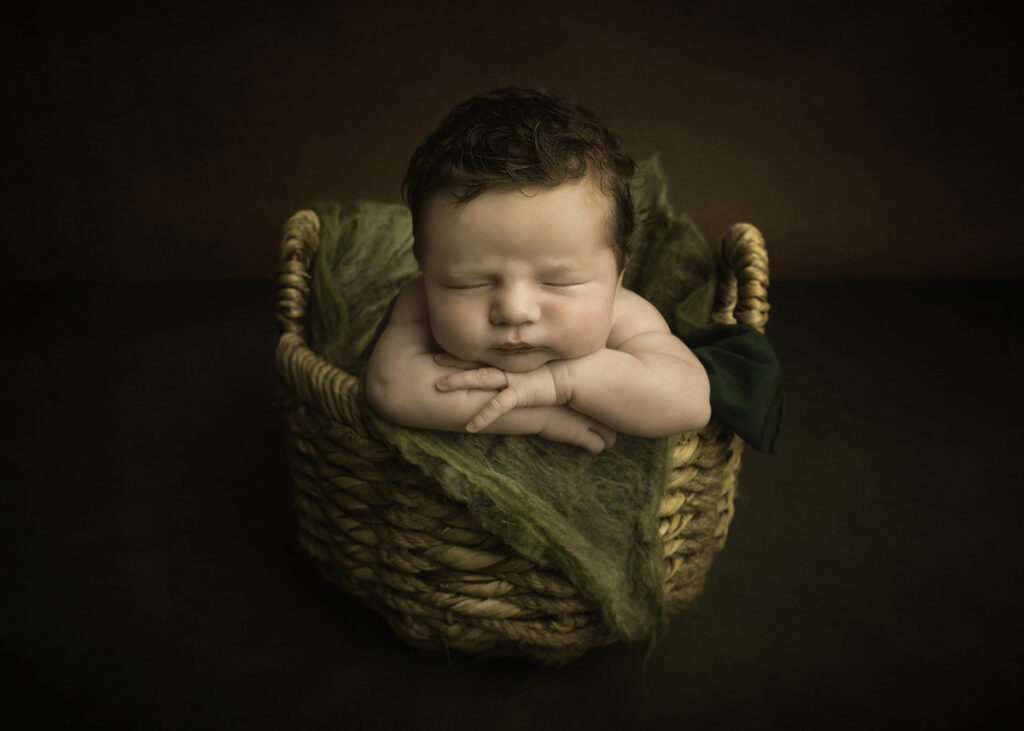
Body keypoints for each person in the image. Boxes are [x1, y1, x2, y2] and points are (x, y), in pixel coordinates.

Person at [365, 88, 711, 454]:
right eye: (468, 283)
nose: (515, 310)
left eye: (559, 280)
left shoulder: (622, 315)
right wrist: (536, 416)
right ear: (427, 268)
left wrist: (561, 382)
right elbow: (389, 387)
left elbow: (690, 401)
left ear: (618, 275)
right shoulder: (420, 300)